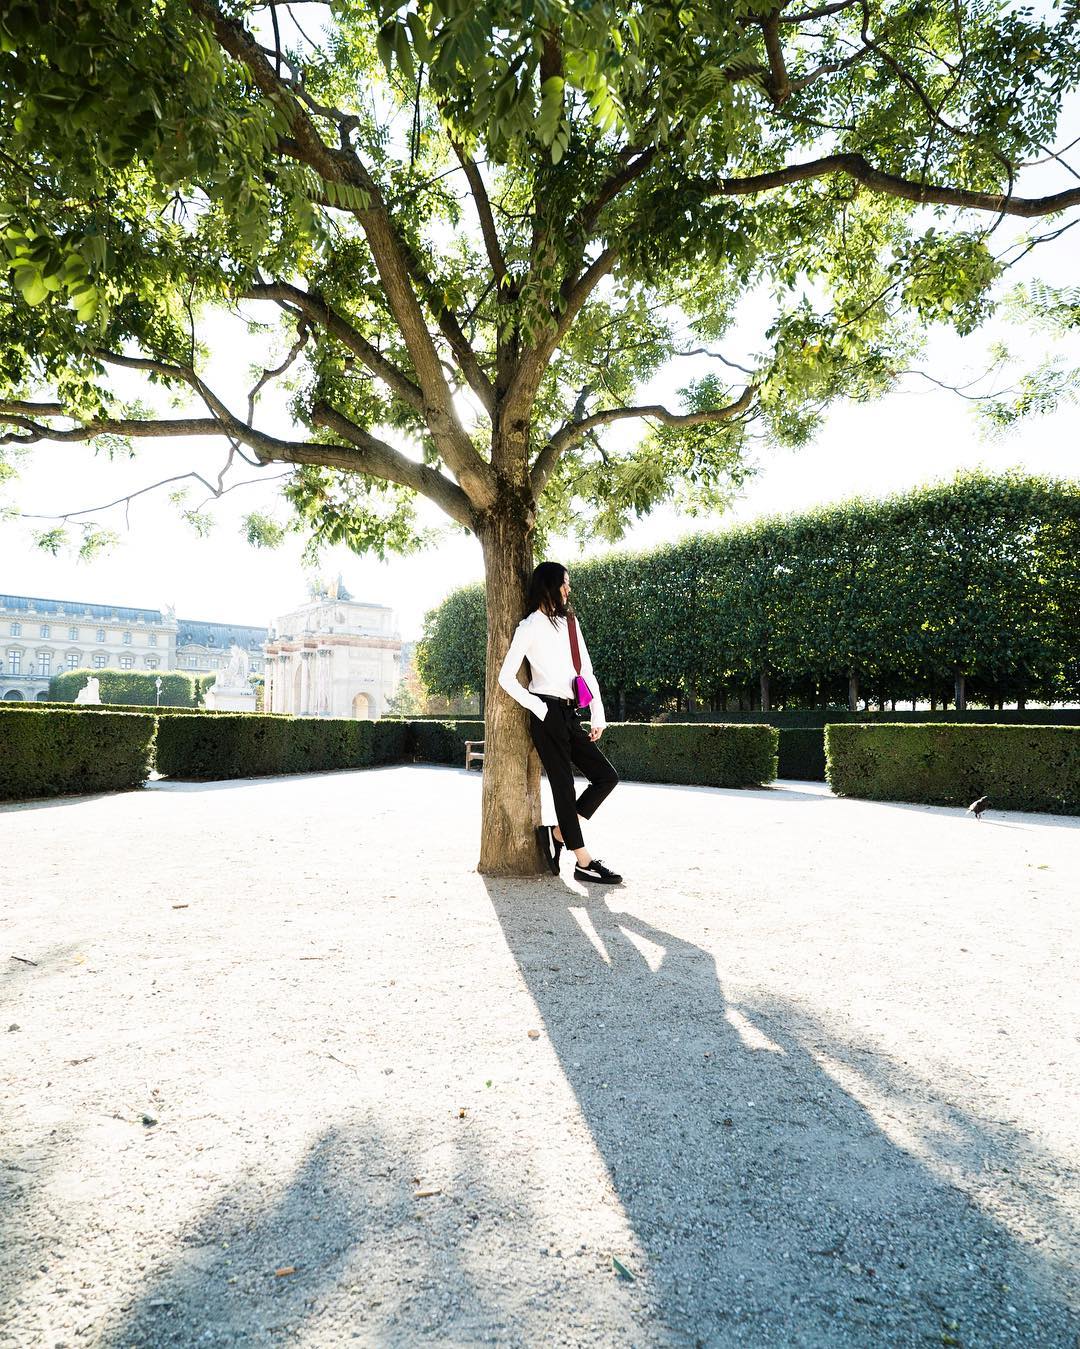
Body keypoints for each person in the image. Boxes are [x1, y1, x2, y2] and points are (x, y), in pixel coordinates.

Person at [497, 562, 622, 884]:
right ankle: (584, 862)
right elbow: (505, 678)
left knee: (606, 777)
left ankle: (556, 834)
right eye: (565, 583)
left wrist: (598, 714)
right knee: (564, 790)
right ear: (550, 586)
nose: (569, 589)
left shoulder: (570, 623)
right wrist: (538, 708)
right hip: (548, 714)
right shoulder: (529, 627)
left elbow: (586, 671)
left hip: (571, 713)